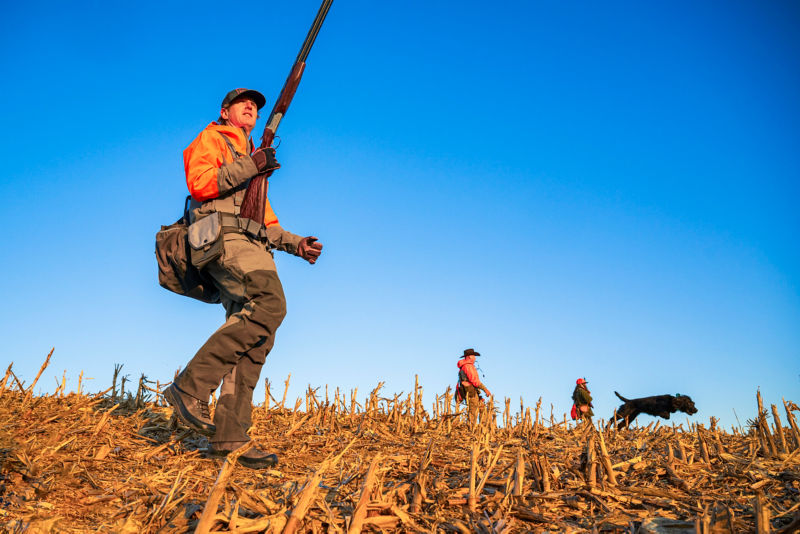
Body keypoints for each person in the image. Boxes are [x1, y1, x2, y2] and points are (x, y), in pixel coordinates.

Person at [164, 88, 323, 469]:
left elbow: (266, 223)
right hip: (225, 241)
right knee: (271, 304)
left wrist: (297, 244)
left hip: (253, 246)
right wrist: (253, 164)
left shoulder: (254, 163)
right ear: (225, 112)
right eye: (242, 103)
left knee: (257, 340)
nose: (250, 106)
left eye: (254, 104)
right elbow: (200, 183)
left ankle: (229, 436)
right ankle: (190, 387)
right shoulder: (213, 138)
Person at [455, 348, 492, 428]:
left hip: (471, 391)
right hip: (471, 392)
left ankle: (483, 429)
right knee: (473, 412)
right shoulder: (468, 366)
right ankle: (472, 429)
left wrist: (479, 395)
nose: (475, 358)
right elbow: (475, 381)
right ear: (469, 357)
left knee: (481, 407)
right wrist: (485, 389)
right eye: (474, 356)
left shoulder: (464, 366)